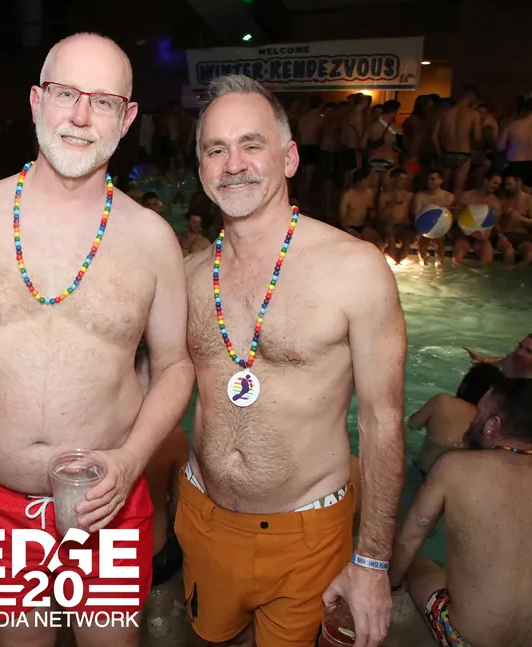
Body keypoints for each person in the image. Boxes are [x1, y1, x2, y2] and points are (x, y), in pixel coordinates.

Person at [0, 33, 195, 647]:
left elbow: (176, 366)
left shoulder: (151, 239)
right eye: (65, 93)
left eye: (103, 101)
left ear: (127, 118)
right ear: (35, 101)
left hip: (108, 504)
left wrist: (131, 461)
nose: (80, 116)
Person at [179, 74, 406, 647]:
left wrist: (372, 562)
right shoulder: (187, 275)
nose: (234, 164)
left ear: (289, 157)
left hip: (308, 531)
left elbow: (382, 421)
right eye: (215, 149)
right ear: (201, 167)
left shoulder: (355, 269)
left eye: (251, 144)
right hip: (204, 516)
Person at [389, 377, 532, 647]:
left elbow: (407, 542)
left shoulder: (455, 467)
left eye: (478, 414)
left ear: (492, 425)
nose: (472, 419)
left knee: (416, 563)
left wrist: (391, 587)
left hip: (466, 640)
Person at [406, 363, 504, 473]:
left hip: (423, 471)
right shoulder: (488, 422)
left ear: (464, 386)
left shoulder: (442, 402)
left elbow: (412, 424)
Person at [498, 96, 532, 232]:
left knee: (511, 199)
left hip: (512, 166)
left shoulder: (513, 125)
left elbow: (500, 147)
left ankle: (507, 229)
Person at [145, 425, 188, 587]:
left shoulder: (95, 438)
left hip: (106, 557)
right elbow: (178, 506)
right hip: (156, 557)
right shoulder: (174, 435)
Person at [435, 86, 481, 200]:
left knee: (443, 188)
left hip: (446, 153)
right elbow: (477, 138)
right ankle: (454, 211)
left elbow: (433, 136)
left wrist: (439, 152)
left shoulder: (445, 113)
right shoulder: (473, 114)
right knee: (458, 189)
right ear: (472, 97)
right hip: (463, 153)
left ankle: (442, 209)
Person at [465, 333, 532, 390]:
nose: (519, 352)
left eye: (529, 351)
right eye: (520, 346)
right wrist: (482, 360)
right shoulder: (512, 359)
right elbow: (500, 361)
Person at [451, 172, 503, 265]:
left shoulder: (495, 203)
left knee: (487, 261)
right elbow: (456, 216)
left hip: (482, 237)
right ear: (485, 181)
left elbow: (493, 223)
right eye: (495, 183)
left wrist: (485, 236)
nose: (496, 186)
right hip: (464, 234)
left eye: (498, 184)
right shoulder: (467, 196)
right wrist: (466, 229)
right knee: (457, 258)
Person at [412, 170, 456, 267]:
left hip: (442, 228)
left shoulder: (449, 197)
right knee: (424, 239)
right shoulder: (420, 196)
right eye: (428, 179)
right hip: (423, 227)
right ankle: (423, 262)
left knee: (440, 240)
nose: (429, 182)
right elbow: (417, 215)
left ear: (441, 180)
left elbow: (451, 217)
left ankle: (439, 264)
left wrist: (442, 230)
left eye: (432, 179)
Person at [496, 173, 532, 266]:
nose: (507, 187)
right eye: (505, 185)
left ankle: (516, 270)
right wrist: (500, 235)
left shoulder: (529, 200)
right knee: (509, 252)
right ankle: (507, 272)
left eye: (509, 184)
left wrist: (521, 218)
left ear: (518, 183)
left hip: (522, 237)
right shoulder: (503, 201)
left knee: (531, 255)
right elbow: (495, 221)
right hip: (506, 235)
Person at [362, 100, 402, 197]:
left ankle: (371, 206)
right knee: (387, 190)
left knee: (373, 189)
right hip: (388, 159)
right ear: (395, 111)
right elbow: (400, 147)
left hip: (373, 159)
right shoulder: (397, 129)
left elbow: (362, 145)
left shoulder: (371, 126)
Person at [377, 167, 416, 264]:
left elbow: (413, 213)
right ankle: (395, 260)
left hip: (403, 226)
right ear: (393, 179)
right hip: (388, 225)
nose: (404, 182)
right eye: (401, 179)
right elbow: (381, 216)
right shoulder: (384, 195)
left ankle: (398, 261)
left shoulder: (410, 195)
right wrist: (392, 203)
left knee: (407, 241)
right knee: (390, 238)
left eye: (405, 179)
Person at [338, 167, 383, 247]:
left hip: (364, 227)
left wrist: (369, 224)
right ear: (358, 182)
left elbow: (371, 211)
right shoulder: (348, 195)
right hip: (349, 227)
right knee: (357, 240)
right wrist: (349, 230)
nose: (369, 182)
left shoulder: (369, 193)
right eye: (367, 179)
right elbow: (342, 218)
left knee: (379, 242)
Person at [295, 96, 324, 206]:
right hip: (312, 147)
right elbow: (319, 136)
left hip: (302, 147)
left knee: (303, 177)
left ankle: (299, 199)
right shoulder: (318, 120)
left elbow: (298, 135)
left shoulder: (303, 118)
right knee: (309, 178)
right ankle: (304, 201)